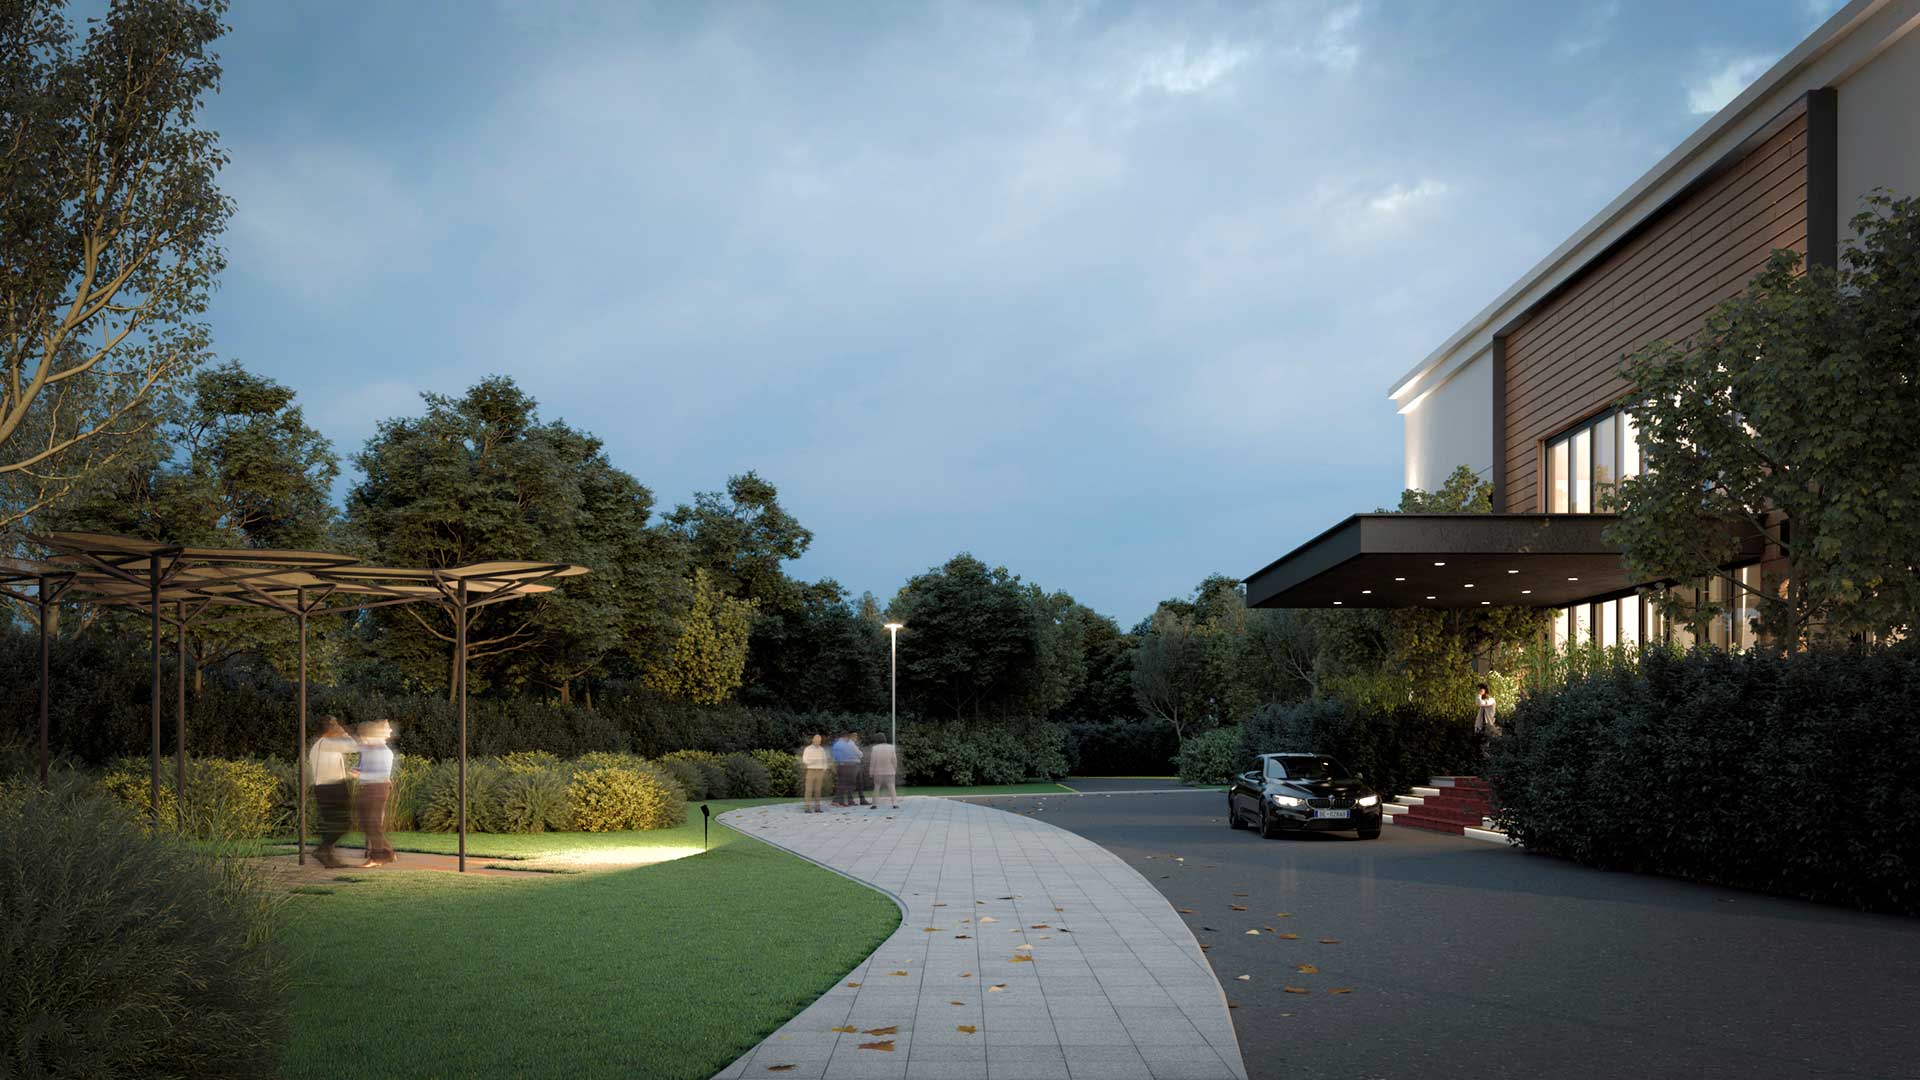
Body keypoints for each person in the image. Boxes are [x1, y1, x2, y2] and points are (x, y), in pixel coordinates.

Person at [308, 717, 357, 868]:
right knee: (343, 823)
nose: (339, 728)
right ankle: (322, 850)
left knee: (332, 824)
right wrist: (344, 734)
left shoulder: (320, 746)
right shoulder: (329, 743)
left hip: (325, 787)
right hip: (332, 788)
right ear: (329, 730)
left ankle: (328, 856)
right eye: (336, 726)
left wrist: (347, 773)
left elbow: (327, 767)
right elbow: (353, 747)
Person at [352, 720, 397, 866]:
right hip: (366, 788)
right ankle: (388, 853)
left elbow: (381, 775)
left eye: (365, 737)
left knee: (373, 824)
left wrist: (361, 776)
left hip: (379, 788)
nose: (363, 740)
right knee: (367, 823)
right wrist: (357, 770)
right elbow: (362, 767)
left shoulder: (384, 752)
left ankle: (377, 857)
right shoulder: (367, 750)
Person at [830, 731, 865, 808]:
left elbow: (833, 756)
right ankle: (836, 801)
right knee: (845, 784)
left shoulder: (836, 744)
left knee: (842, 784)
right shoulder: (847, 745)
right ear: (845, 737)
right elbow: (859, 754)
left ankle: (841, 802)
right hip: (846, 766)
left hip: (839, 765)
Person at [801, 734, 830, 813]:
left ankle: (817, 808)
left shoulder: (822, 750)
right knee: (808, 790)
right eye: (816, 740)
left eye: (819, 741)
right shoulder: (808, 749)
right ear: (813, 740)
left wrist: (824, 768)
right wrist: (814, 760)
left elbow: (825, 760)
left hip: (820, 771)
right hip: (811, 770)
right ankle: (807, 807)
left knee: (818, 790)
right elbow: (805, 760)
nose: (818, 742)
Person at [867, 737, 899, 810]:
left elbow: (873, 761)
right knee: (892, 787)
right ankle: (895, 804)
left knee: (876, 787)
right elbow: (894, 760)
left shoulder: (874, 748)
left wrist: (871, 772)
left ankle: (874, 804)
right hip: (890, 771)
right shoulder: (891, 747)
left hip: (878, 772)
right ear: (885, 740)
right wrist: (894, 769)